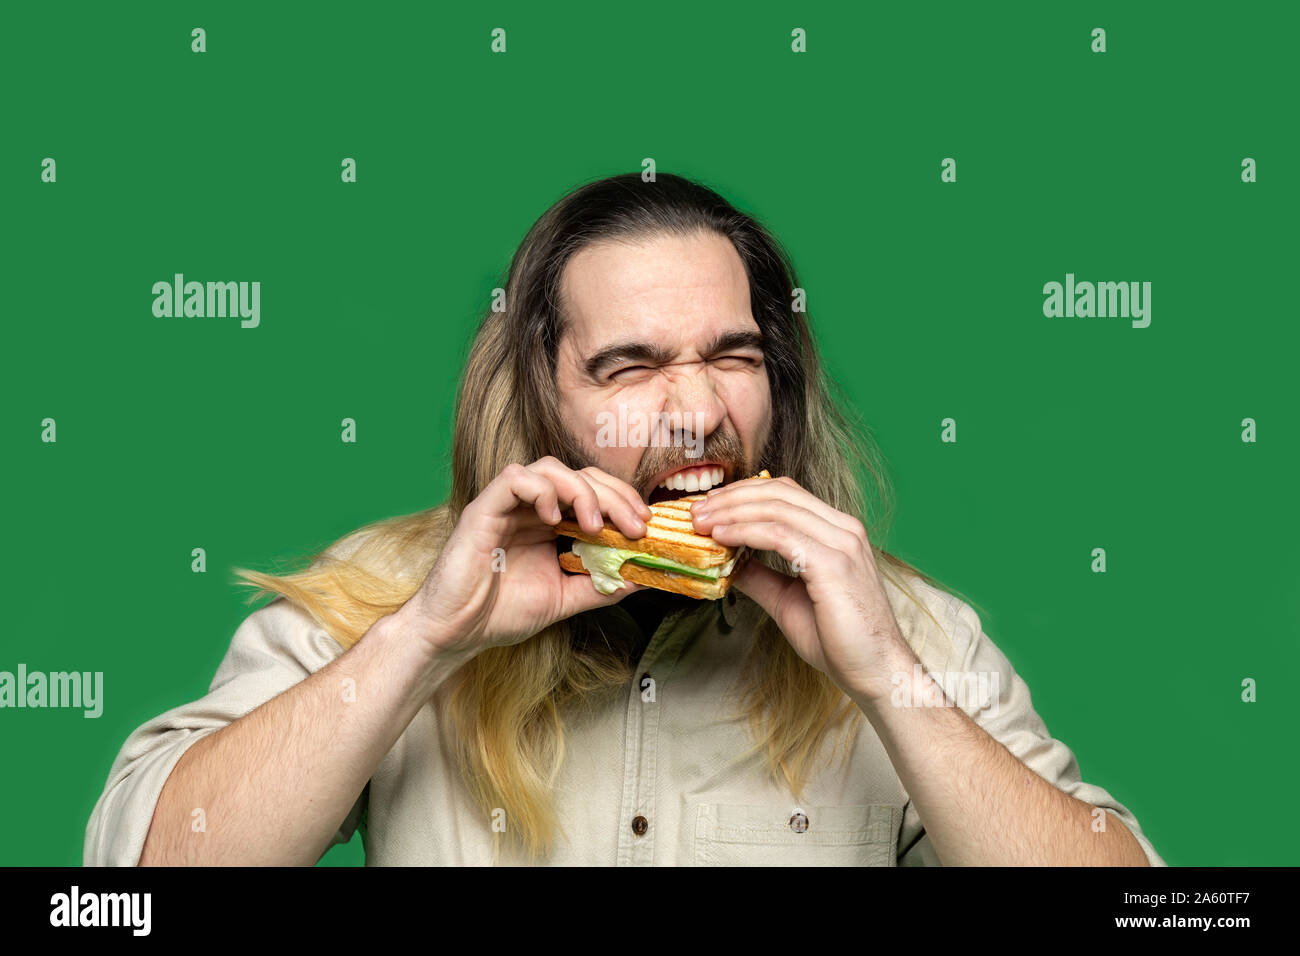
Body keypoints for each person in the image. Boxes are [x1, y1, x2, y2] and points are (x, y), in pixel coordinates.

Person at [84, 173, 1164, 866]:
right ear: (540, 395)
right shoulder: (395, 591)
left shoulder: (902, 628)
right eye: (631, 366)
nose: (697, 414)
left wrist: (890, 680)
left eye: (734, 358)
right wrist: (421, 641)